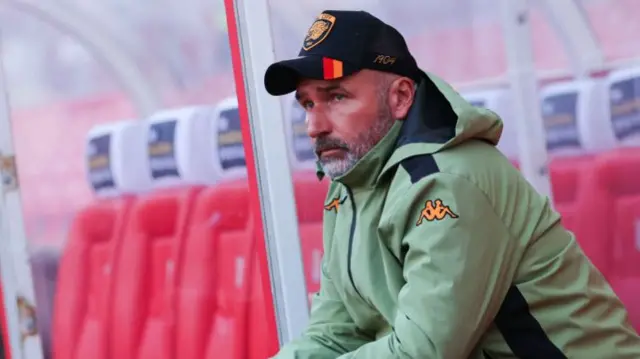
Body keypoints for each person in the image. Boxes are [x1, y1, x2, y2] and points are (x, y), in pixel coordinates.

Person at [263, 10, 640, 359]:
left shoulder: (446, 181)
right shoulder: (348, 187)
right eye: (308, 104)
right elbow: (334, 334)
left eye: (337, 97)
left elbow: (422, 353)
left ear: (401, 97)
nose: (315, 126)